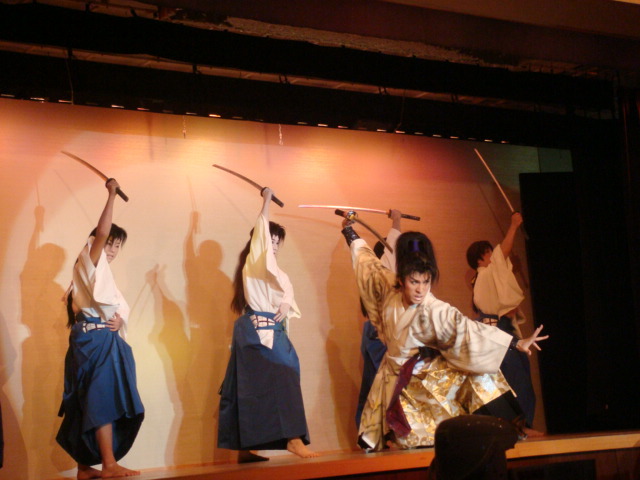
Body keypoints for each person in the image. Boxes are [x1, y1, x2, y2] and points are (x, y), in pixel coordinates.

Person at [340, 220, 548, 451]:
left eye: (425, 282)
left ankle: (512, 426)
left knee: (480, 375)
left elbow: (468, 330)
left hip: (426, 370)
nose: (420, 289)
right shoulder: (388, 287)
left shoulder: (434, 308)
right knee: (408, 437)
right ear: (400, 280)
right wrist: (349, 232)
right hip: (397, 375)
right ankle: (397, 437)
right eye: (414, 282)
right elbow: (367, 263)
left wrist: (516, 342)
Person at [218, 187, 318, 461]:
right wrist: (266, 201)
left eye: (277, 242)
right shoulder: (255, 262)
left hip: (272, 332)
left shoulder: (278, 273)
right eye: (269, 240)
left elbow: (287, 303)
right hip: (257, 332)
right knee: (272, 382)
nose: (273, 245)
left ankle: (248, 448)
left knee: (262, 385)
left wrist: (286, 304)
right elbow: (261, 231)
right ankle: (293, 439)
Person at [57, 179, 144, 479]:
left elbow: (115, 310)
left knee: (88, 398)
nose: (113, 249)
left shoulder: (96, 274)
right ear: (96, 241)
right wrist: (111, 195)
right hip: (94, 341)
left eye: (118, 245)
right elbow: (102, 231)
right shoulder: (89, 260)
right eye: (110, 243)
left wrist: (119, 322)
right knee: (101, 397)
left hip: (96, 339)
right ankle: (108, 464)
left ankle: (84, 468)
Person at [466, 212, 538, 433]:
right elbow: (502, 254)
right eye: (488, 253)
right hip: (494, 334)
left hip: (498, 331)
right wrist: (514, 225)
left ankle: (516, 426)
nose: (494, 256)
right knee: (516, 381)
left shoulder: (484, 278)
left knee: (515, 379)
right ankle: (520, 426)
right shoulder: (484, 275)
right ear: (480, 260)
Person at [356, 209, 402, 428]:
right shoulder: (381, 270)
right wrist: (397, 220)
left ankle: (369, 435)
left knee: (373, 386)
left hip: (373, 331)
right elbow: (392, 247)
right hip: (380, 333)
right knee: (386, 387)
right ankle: (384, 433)